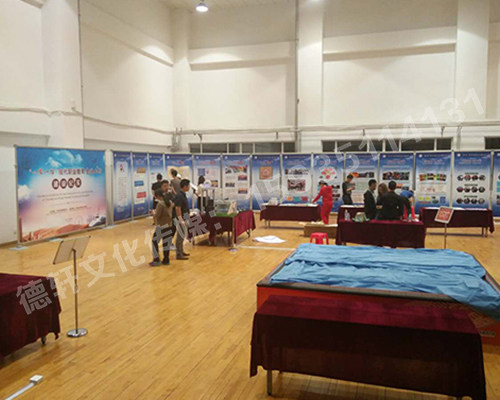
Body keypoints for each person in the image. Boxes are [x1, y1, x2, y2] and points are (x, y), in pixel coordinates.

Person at [150, 189, 174, 267]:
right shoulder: (169, 202)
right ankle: (166, 260)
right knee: (166, 243)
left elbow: (157, 215)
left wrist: (153, 213)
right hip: (169, 225)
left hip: (161, 226)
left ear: (158, 196)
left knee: (154, 241)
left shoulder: (160, 204)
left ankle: (156, 259)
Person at [174, 179, 191, 260]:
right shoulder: (179, 195)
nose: (189, 187)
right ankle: (178, 253)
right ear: (185, 186)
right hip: (182, 218)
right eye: (188, 186)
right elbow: (178, 208)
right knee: (180, 236)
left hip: (185, 217)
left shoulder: (183, 194)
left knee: (182, 235)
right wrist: (180, 219)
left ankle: (181, 250)